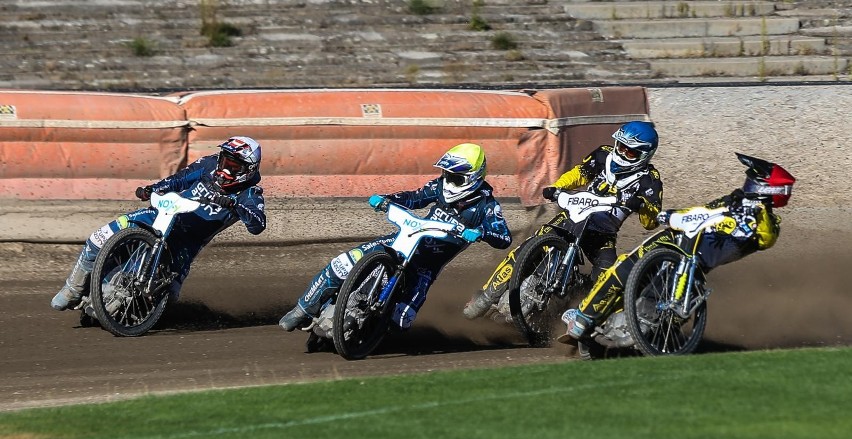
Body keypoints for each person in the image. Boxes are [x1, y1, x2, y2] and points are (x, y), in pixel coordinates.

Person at [559, 153, 795, 344]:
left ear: (767, 188)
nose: (748, 182)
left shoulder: (766, 222)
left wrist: (747, 213)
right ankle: (583, 318)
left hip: (694, 260)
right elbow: (702, 211)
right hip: (674, 240)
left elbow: (765, 237)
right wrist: (670, 215)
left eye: (755, 179)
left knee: (651, 285)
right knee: (623, 267)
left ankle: (650, 331)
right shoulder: (734, 200)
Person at [279, 142, 512, 333]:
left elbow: (504, 237)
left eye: (456, 178)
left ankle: (371, 335)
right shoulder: (439, 186)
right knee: (341, 263)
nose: (448, 181)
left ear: (473, 177)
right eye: (446, 174)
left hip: (425, 267)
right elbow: (414, 197)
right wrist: (387, 199)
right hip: (400, 242)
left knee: (402, 321)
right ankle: (302, 310)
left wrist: (481, 233)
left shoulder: (487, 206)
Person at [462, 121, 664, 320]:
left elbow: (651, 222)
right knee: (528, 247)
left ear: (645, 154)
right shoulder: (603, 154)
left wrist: (642, 205)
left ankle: (580, 312)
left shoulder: (650, 179)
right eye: (620, 146)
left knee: (608, 276)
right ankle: (487, 295)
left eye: (630, 152)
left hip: (603, 235)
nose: (621, 153)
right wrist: (557, 187)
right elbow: (580, 174)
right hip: (573, 218)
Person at [51, 135, 266, 312]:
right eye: (224, 161)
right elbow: (180, 178)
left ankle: (116, 304)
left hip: (187, 241)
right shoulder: (209, 163)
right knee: (98, 238)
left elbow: (257, 225)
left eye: (232, 166)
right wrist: (154, 188)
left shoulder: (250, 193)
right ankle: (71, 289)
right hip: (162, 214)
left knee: (168, 300)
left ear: (248, 169)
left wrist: (233, 204)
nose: (224, 169)